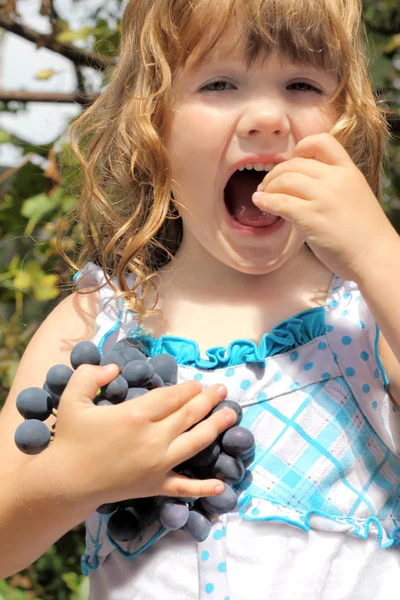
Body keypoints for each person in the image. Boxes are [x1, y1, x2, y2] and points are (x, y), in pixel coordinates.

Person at [1, 0, 400, 597]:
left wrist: (379, 253)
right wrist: (70, 477)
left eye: (302, 84)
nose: (266, 116)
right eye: (219, 83)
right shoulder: (99, 321)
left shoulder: (367, 313)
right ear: (153, 125)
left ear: (344, 120)